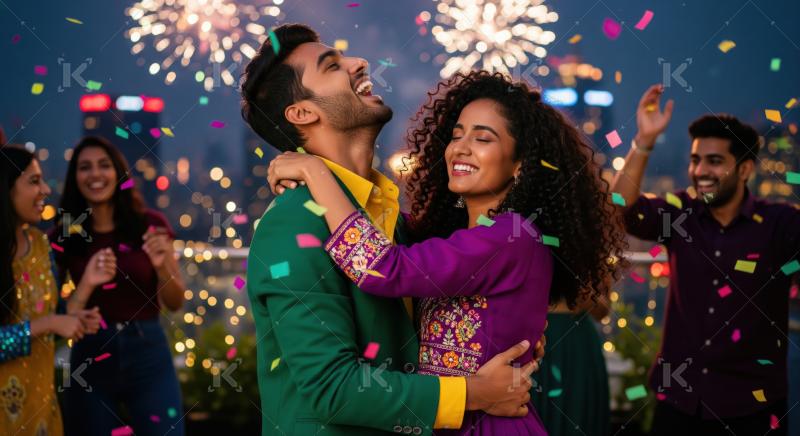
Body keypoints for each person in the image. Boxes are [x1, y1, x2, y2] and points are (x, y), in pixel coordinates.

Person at [266, 71, 627, 434]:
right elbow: (380, 228)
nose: (461, 148)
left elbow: (380, 268)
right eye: (456, 135)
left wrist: (316, 171)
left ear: (521, 164)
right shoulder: (456, 239)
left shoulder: (512, 236)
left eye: (483, 138)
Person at [240, 24, 546, 436]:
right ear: (302, 113)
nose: (359, 62)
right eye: (332, 66)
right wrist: (473, 393)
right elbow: (333, 389)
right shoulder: (292, 224)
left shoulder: (388, 221)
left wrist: (511, 333)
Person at [611, 84, 799, 435]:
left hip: (753, 408)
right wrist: (644, 140)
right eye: (696, 160)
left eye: (715, 161)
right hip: (679, 402)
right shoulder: (680, 213)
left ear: (744, 170)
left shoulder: (779, 224)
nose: (701, 171)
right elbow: (621, 208)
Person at [50, 136, 186, 435]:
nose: (95, 174)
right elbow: (52, 313)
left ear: (118, 174)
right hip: (90, 353)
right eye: (85, 168)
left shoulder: (151, 225)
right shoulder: (63, 236)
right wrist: (85, 284)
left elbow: (176, 302)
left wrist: (162, 267)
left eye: (104, 166)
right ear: (75, 178)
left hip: (148, 350)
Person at [0, 143, 102, 435]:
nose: (45, 189)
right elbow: (44, 323)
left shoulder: (41, 246)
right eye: (34, 181)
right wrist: (49, 323)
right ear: (5, 189)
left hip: (42, 410)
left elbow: (51, 319)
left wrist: (76, 313)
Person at [531, 297, 611, 436]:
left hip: (578, 340)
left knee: (578, 411)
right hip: (538, 334)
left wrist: (585, 293)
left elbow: (602, 310)